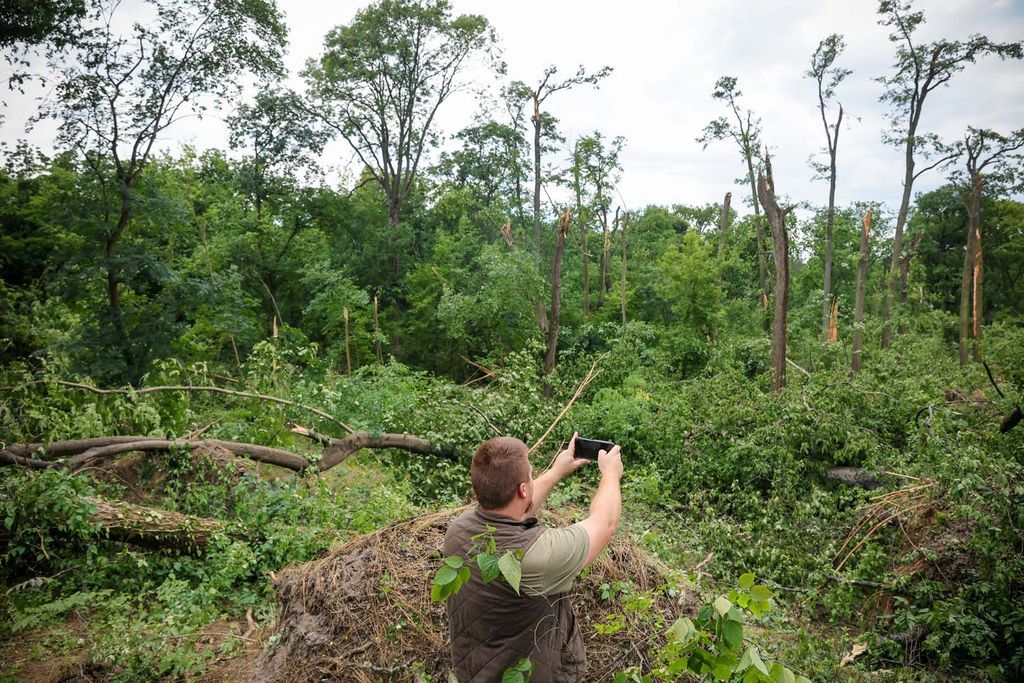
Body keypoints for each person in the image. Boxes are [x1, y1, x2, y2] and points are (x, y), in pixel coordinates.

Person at [443, 431, 624, 682]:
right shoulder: (534, 557)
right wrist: (611, 475)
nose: (533, 478)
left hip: (476, 671)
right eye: (531, 474)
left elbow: (512, 508)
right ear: (522, 488)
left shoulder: (458, 529)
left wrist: (557, 471)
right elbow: (605, 524)